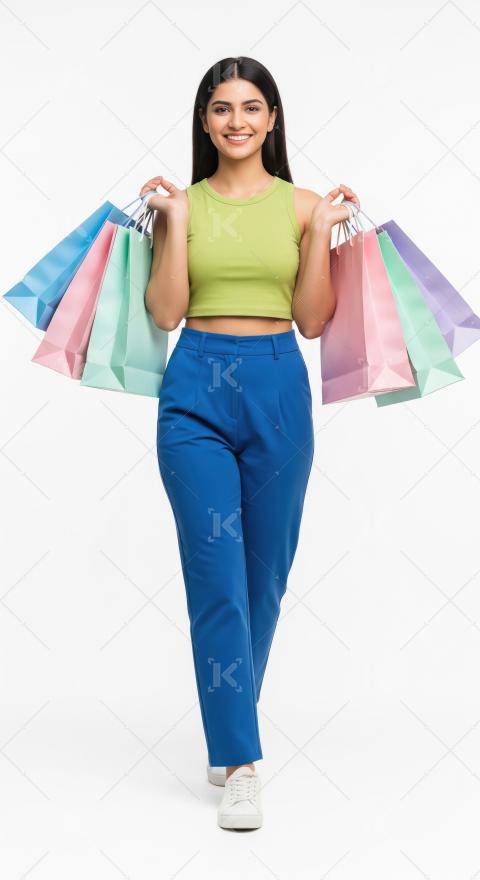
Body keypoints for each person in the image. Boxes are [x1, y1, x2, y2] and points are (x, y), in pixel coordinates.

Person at [139, 55, 360, 831]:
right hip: (195, 387)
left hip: (276, 387)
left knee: (263, 580)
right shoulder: (182, 205)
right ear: (204, 121)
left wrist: (325, 233)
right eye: (222, 108)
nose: (237, 121)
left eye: (252, 107)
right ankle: (239, 759)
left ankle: (228, 724)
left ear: (272, 121)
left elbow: (310, 320)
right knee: (217, 581)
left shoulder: (304, 206)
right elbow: (165, 315)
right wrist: (170, 224)